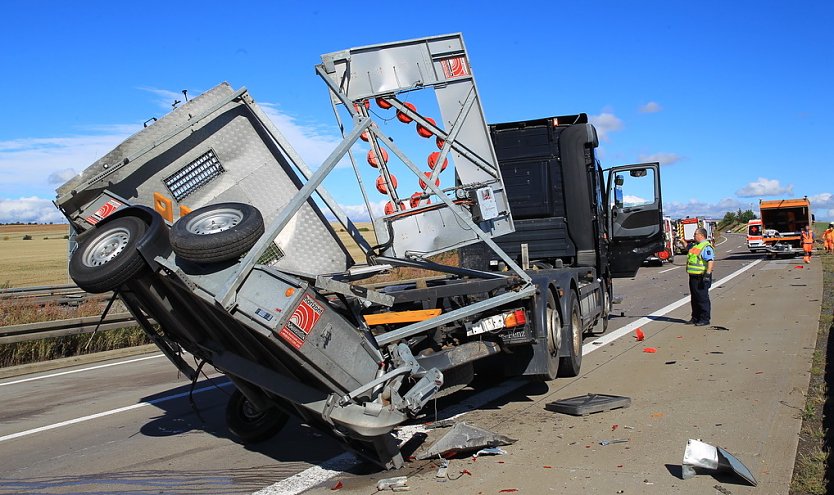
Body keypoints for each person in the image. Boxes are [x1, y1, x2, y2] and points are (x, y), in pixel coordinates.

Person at [686, 227, 715, 326]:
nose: (694, 236)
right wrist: (682, 242)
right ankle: (695, 318)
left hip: (701, 277)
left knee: (702, 298)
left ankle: (704, 319)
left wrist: (707, 274)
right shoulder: (696, 246)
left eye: (695, 234)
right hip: (693, 277)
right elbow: (689, 251)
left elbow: (710, 261)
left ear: (701, 235)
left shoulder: (706, 247)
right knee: (694, 298)